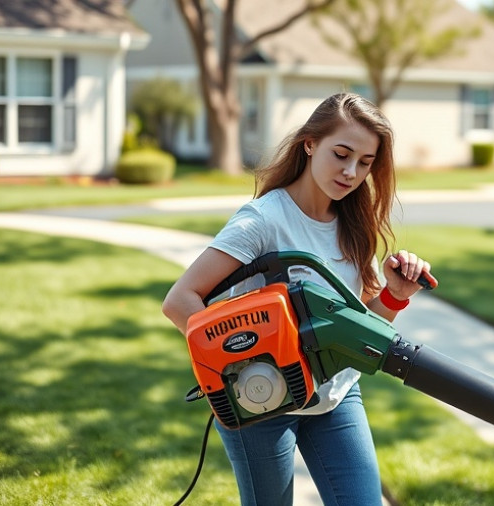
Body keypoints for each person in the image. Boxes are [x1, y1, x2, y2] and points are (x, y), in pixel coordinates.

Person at [162, 92, 436, 506]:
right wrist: (237, 364)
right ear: (310, 144)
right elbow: (180, 300)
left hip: (336, 399)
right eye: (341, 154)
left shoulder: (354, 226)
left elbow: (359, 331)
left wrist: (395, 296)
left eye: (364, 163)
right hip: (261, 406)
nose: (351, 172)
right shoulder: (263, 221)